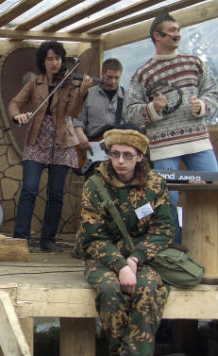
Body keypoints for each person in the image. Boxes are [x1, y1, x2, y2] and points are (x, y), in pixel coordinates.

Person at [75, 128, 174, 356]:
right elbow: (94, 237)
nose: (120, 161)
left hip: (143, 258)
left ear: (139, 156)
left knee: (147, 289)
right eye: (115, 154)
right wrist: (121, 266)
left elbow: (163, 231)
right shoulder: (95, 185)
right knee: (110, 291)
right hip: (103, 259)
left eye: (127, 155)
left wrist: (135, 260)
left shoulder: (155, 184)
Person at [124, 10, 218, 244]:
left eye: (178, 30)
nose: (177, 34)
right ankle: (172, 249)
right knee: (167, 201)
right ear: (157, 36)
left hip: (198, 143)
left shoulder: (195, 63)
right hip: (164, 148)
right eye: (172, 31)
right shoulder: (143, 74)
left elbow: (213, 92)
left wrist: (202, 106)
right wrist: (152, 108)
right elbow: (130, 112)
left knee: (214, 189)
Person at [8, 41, 93, 252]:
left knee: (56, 194)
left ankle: (48, 240)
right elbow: (15, 103)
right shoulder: (34, 83)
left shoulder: (71, 83)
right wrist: (17, 115)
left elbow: (73, 113)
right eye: (50, 59)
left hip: (62, 140)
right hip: (37, 139)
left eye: (58, 58)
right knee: (29, 189)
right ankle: (21, 239)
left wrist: (82, 93)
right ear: (43, 62)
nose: (55, 63)